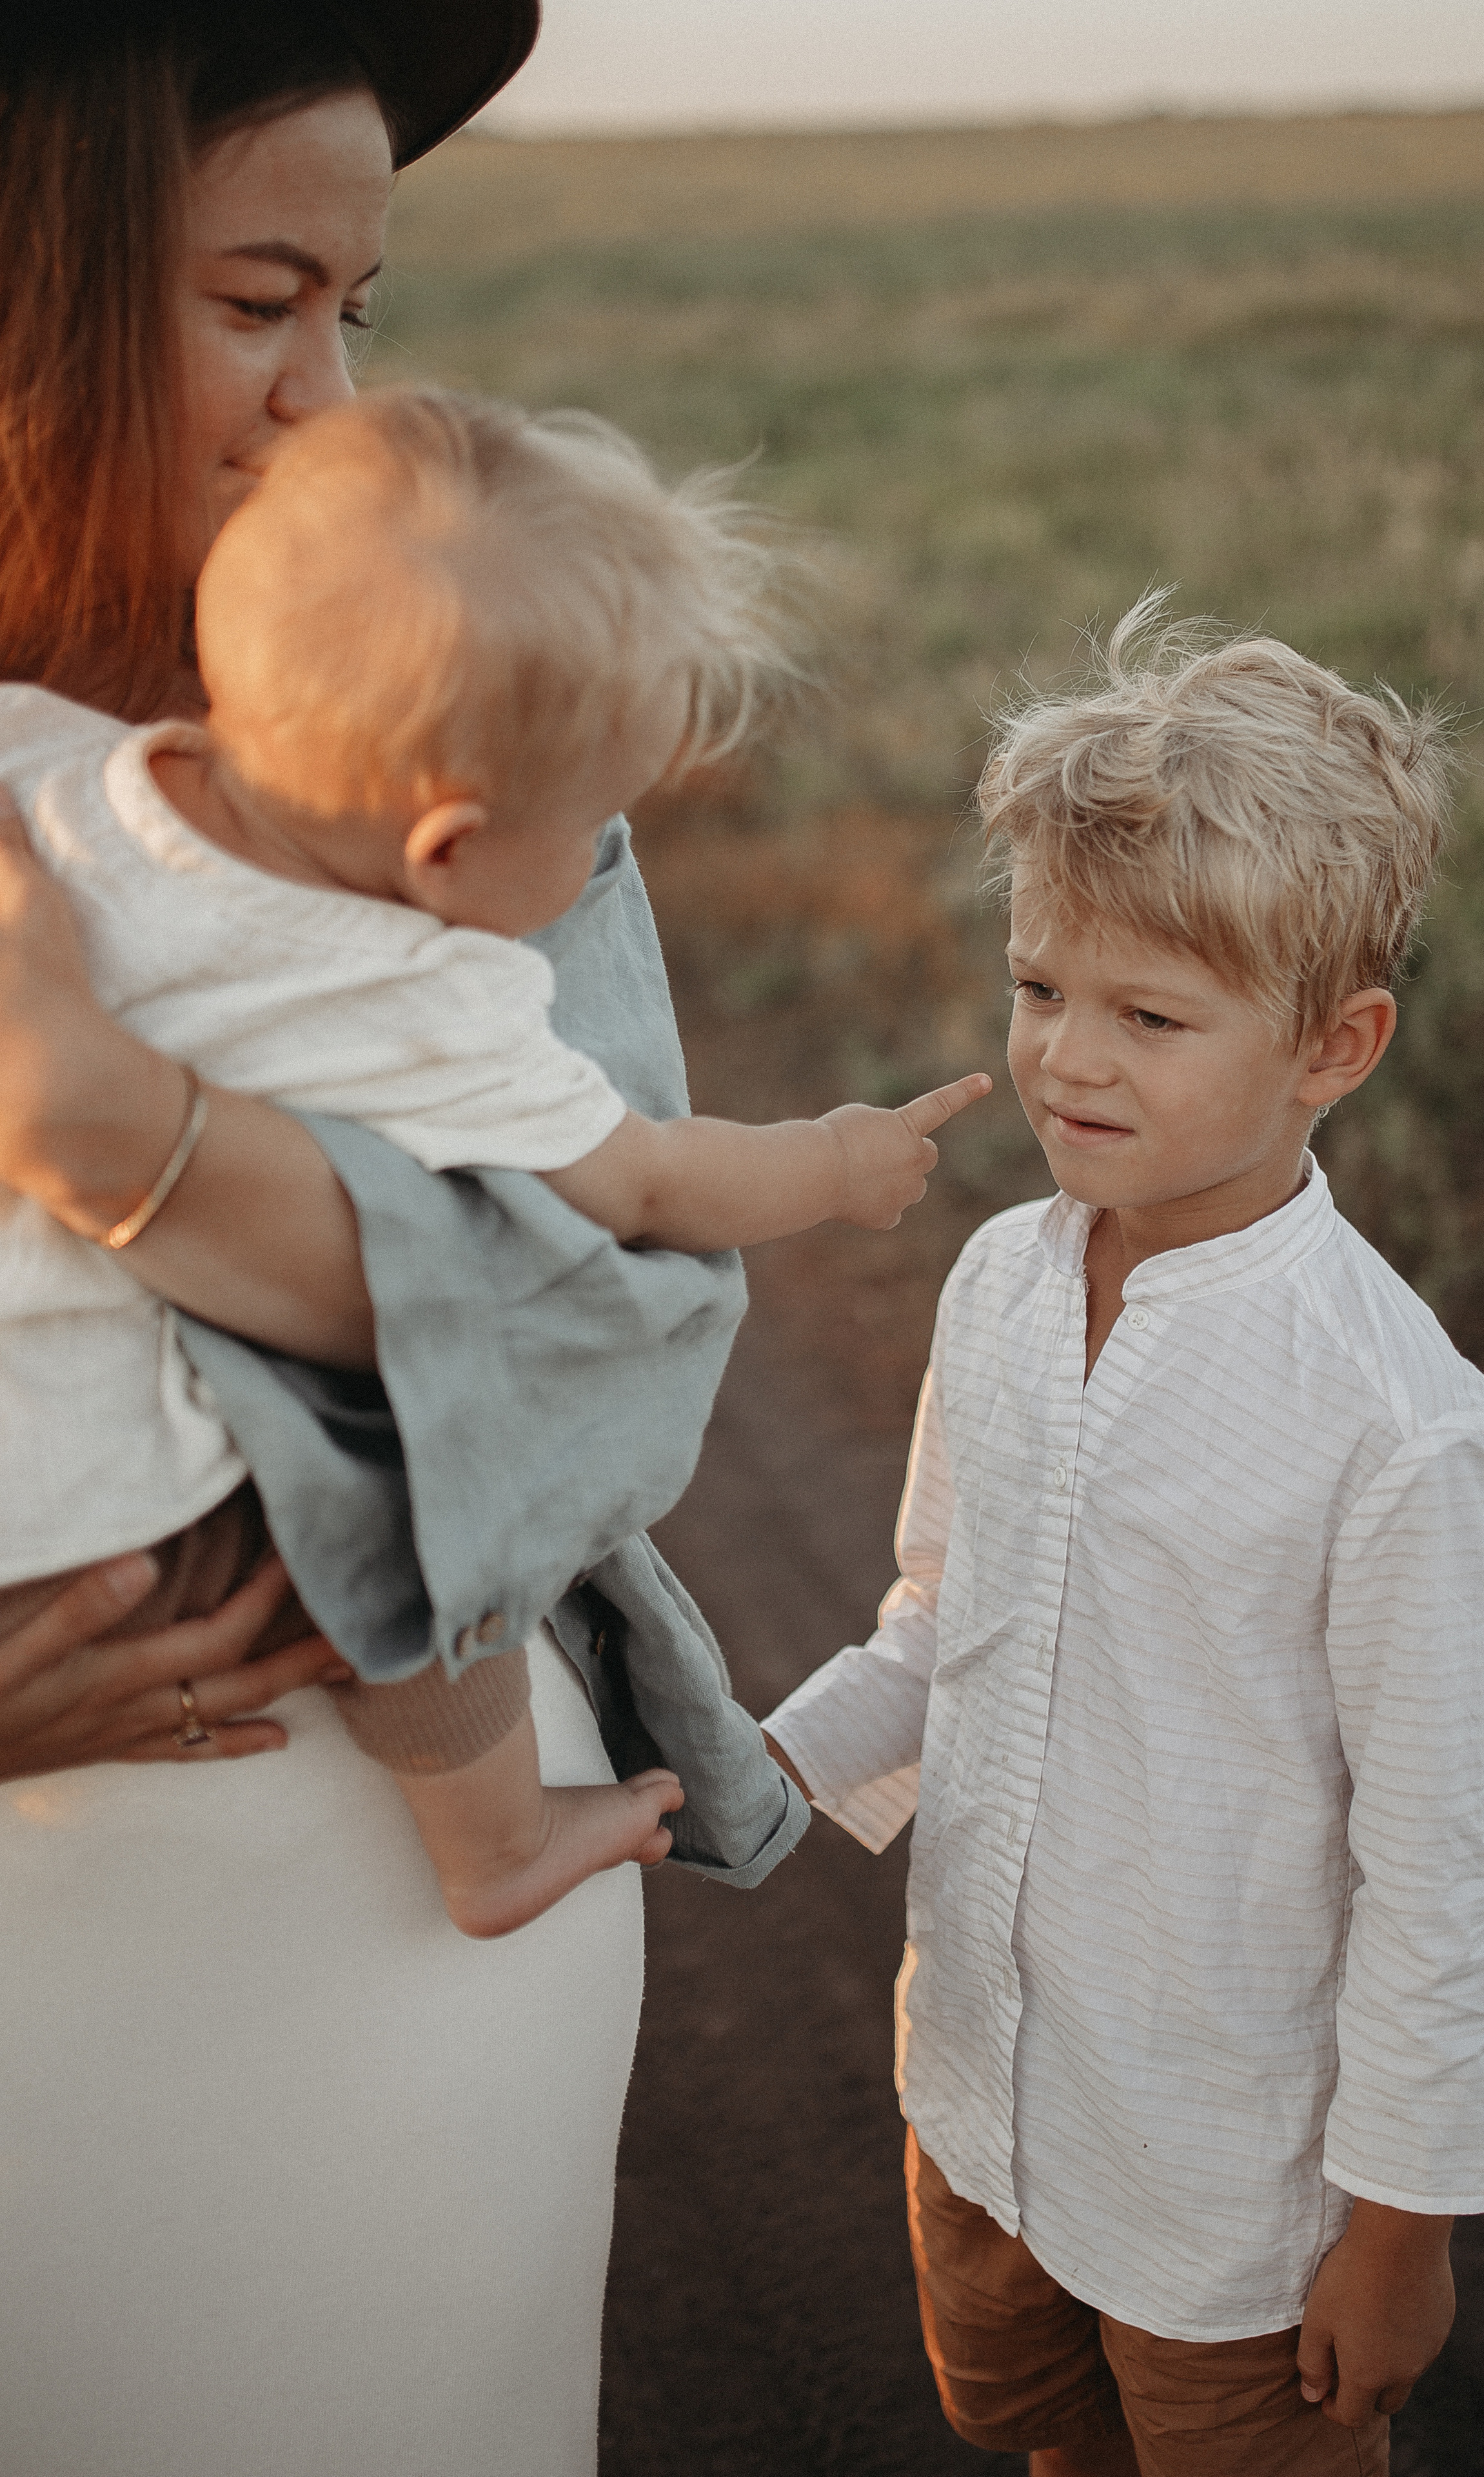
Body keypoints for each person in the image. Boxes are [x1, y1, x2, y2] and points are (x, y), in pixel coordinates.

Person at [0, 8, 804, 2471]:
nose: (331, 404)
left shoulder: (439, 729)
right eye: (261, 303)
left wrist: (112, 1125)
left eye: (363, 309)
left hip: (351, 1931)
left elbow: (601, 1315)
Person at [1, 382, 987, 1936]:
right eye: (591, 819)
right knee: (421, 1489)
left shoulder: (42, 762)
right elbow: (652, 1180)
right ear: (448, 848)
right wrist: (836, 1160)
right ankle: (496, 1843)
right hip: (104, 1539)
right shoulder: (425, 998)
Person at [762, 601, 1484, 2477]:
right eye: (1040, 991)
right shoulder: (1000, 1283)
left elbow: (1433, 1881)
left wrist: (1404, 2230)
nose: (1067, 1064)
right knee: (1046, 2447)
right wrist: (746, 1771)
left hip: (1222, 2191)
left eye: (1151, 1019)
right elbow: (940, 1619)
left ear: (1333, 1046)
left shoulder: (1399, 1429)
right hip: (987, 2097)